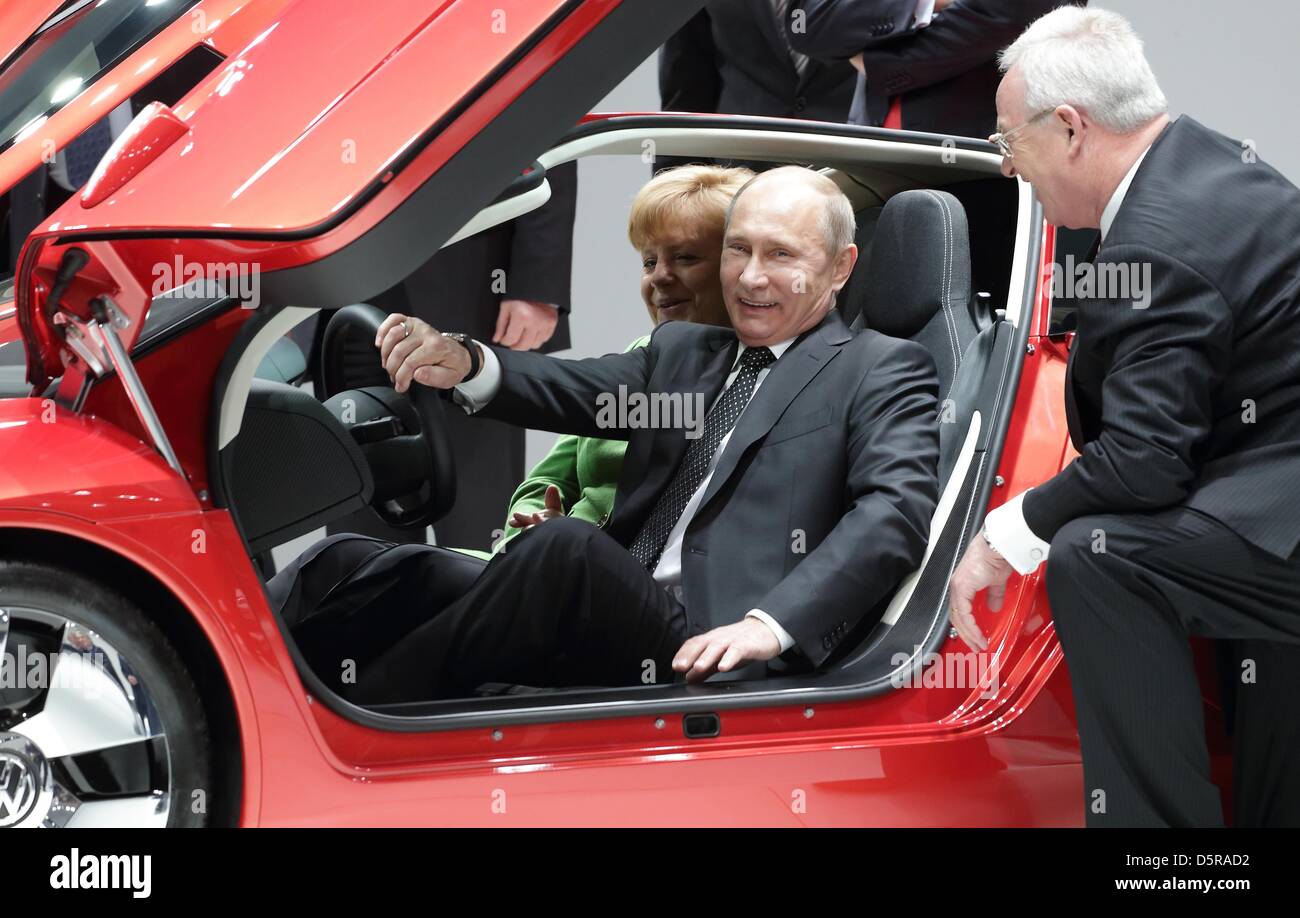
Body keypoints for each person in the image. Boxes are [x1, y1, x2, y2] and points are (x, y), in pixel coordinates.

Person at [282, 166, 939, 705]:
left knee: (565, 548)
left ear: (841, 267)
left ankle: (356, 718)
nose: (751, 276)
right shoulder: (685, 350)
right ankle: (256, 693)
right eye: (738, 249)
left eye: (782, 255)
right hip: (623, 599)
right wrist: (465, 359)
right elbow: (572, 390)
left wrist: (771, 625)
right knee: (346, 563)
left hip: (717, 641)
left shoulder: (879, 367)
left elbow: (894, 513)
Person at [946, 6, 1300, 827]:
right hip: (1272, 480)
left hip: (1282, 505)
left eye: (1008, 141)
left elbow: (1145, 460)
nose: (1007, 167)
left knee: (1099, 558)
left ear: (1070, 128)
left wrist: (1004, 535)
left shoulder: (1155, 239)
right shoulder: (1205, 161)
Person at [488, 164, 753, 556]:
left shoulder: (758, 374)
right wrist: (532, 527)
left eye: (684, 257)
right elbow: (545, 483)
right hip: (542, 566)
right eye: (649, 262)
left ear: (737, 267)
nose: (659, 277)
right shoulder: (638, 354)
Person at [788, 0, 1079, 137]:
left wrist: (879, 62)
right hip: (874, 143)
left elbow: (1009, 14)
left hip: (987, 153)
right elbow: (808, 22)